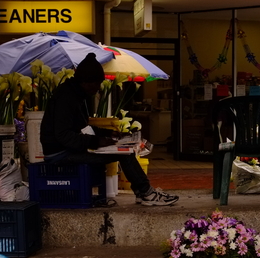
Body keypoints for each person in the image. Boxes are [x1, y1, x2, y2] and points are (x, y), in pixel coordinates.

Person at [40, 53, 178, 206]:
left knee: (125, 150)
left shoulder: (76, 95)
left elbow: (83, 128)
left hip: (68, 149)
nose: (99, 88)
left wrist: (110, 134)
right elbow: (64, 136)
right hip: (60, 154)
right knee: (124, 154)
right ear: (86, 82)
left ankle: (142, 192)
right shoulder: (66, 98)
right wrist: (97, 141)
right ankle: (146, 193)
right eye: (97, 83)